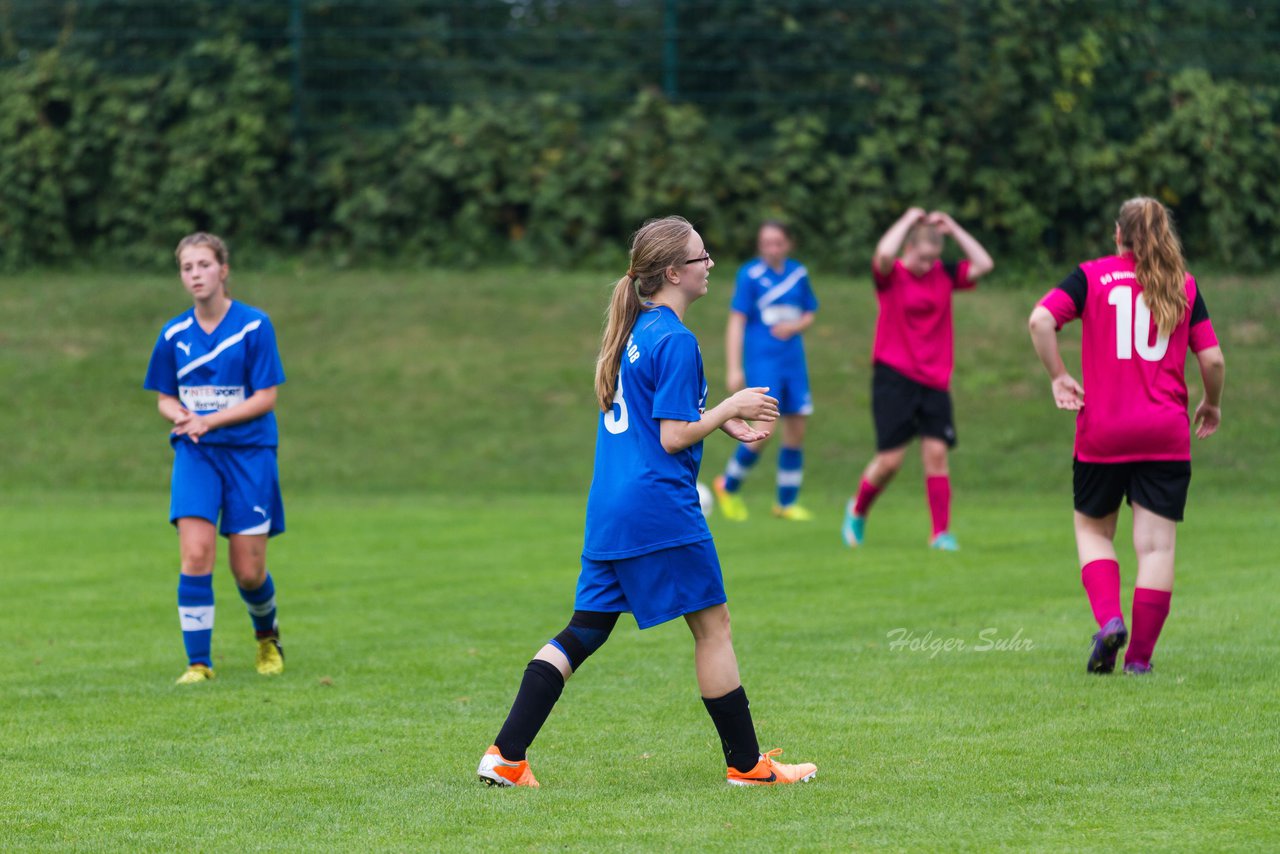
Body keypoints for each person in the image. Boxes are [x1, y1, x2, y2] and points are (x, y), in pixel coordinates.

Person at [476, 216, 817, 788]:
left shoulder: (639, 330)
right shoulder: (677, 339)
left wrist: (718, 422)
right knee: (714, 627)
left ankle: (505, 757)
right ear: (674, 272)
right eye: (702, 257)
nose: (710, 265)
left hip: (610, 505)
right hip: (657, 507)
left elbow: (667, 415)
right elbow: (672, 435)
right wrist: (731, 408)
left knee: (583, 631)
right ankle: (747, 766)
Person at [1028, 197, 1225, 675]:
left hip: (1103, 431)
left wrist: (1058, 375)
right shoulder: (1183, 284)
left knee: (1094, 531)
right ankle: (1139, 660)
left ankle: (1110, 619)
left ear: (1119, 235)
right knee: (1155, 548)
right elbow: (1214, 360)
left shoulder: (1091, 276)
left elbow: (1040, 320)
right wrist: (1211, 402)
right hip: (1164, 433)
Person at [143, 233, 287, 684]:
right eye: (187, 268)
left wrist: (212, 419)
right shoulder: (173, 334)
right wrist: (182, 415)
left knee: (248, 570)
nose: (196, 275)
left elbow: (266, 396)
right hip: (197, 453)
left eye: (204, 265)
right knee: (196, 553)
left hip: (249, 454)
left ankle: (267, 636)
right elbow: (164, 397)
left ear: (223, 271)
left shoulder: (254, 326)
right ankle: (199, 663)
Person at [842, 208, 994, 550]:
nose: (928, 265)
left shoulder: (944, 275)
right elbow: (882, 253)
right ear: (908, 248)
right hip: (894, 375)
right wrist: (909, 219)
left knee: (937, 453)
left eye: (934, 259)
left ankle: (940, 533)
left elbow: (985, 264)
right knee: (890, 462)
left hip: (935, 379)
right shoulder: (891, 274)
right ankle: (858, 509)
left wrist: (953, 227)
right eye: (923, 258)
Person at [712, 221, 819, 522]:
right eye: (766, 243)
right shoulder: (750, 275)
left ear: (788, 244)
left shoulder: (798, 274)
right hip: (763, 362)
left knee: (796, 429)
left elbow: (809, 312)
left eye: (777, 242)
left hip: (793, 362)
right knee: (763, 432)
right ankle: (728, 485)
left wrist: (795, 326)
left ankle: (786, 503)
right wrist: (734, 367)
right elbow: (736, 321)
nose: (772, 248)